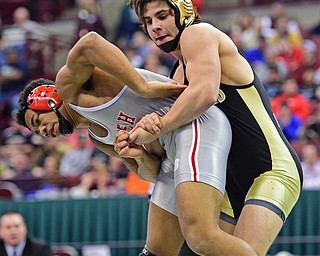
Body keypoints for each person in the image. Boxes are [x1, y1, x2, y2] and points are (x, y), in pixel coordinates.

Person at [15, 31, 257, 255]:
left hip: (194, 123)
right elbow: (153, 174)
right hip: (175, 151)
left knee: (201, 237)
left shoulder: (70, 89)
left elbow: (89, 42)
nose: (43, 132)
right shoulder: (98, 138)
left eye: (38, 121)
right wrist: (138, 155)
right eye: (37, 131)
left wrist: (143, 88)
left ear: (47, 98)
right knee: (156, 252)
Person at [128, 0, 302, 255]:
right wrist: (137, 154)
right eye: (149, 21)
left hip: (271, 170)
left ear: (183, 11)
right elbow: (165, 164)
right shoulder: (176, 76)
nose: (155, 27)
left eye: (162, 16)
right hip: (226, 184)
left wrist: (159, 125)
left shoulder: (199, 34)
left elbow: (205, 93)